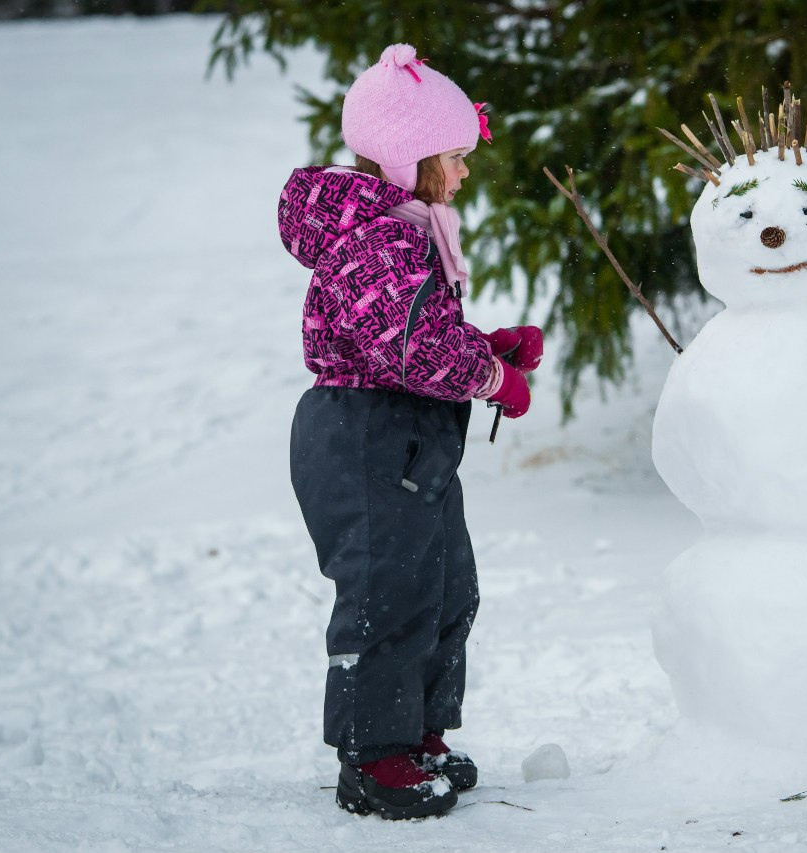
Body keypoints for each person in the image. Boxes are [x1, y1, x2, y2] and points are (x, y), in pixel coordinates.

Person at [279, 43, 543, 821]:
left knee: (445, 585)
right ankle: (372, 756)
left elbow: (416, 337)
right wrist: (492, 377)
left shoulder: (405, 229)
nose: (462, 174)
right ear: (410, 158)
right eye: (454, 158)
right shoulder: (375, 239)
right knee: (387, 594)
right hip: (364, 435)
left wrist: (487, 347)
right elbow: (413, 350)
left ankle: (417, 731)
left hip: (411, 437)